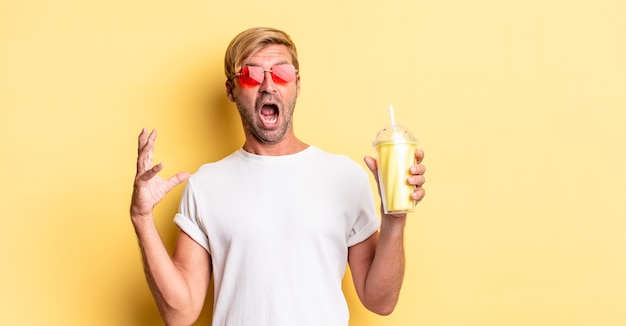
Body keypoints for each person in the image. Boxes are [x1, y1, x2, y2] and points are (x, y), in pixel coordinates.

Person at [130, 27, 426, 326]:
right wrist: (142, 218)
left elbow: (381, 301)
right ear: (231, 91)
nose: (269, 85)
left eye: (282, 72)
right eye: (252, 75)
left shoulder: (345, 177)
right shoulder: (206, 185)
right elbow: (179, 314)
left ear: (297, 84)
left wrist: (394, 219)